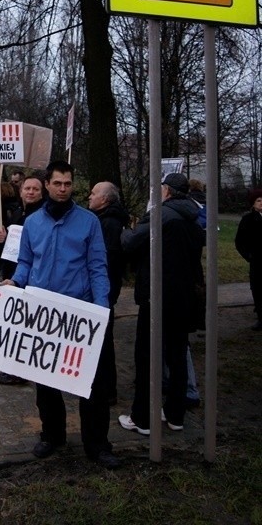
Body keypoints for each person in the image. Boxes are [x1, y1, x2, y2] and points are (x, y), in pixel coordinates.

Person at [0, 160, 120, 469]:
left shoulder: (89, 222)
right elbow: (25, 261)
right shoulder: (33, 223)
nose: (63, 189)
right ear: (47, 185)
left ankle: (97, 444)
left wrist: (102, 305)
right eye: (57, 184)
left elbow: (97, 267)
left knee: (90, 383)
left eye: (68, 184)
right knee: (45, 380)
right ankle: (52, 435)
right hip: (42, 312)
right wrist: (15, 281)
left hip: (80, 312)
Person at [118, 173, 205, 435]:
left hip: (157, 296)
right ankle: (175, 414)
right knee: (177, 357)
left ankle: (142, 418)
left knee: (147, 357)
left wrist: (125, 231)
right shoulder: (192, 216)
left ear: (167, 191)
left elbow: (131, 243)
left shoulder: (162, 216)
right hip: (183, 297)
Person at [0, 174, 45, 386]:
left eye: (35, 189)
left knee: (25, 324)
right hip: (12, 273)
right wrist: (1, 240)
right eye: (27, 188)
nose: (30, 192)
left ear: (43, 192)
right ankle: (12, 365)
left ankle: (20, 370)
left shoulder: (42, 215)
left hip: (29, 277)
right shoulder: (18, 212)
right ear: (21, 191)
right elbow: (9, 249)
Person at [88, 181, 130, 405]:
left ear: (104, 199)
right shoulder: (105, 220)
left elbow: (107, 261)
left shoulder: (109, 223)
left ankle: (107, 390)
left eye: (94, 194)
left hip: (104, 293)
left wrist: (103, 294)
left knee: (103, 341)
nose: (89, 197)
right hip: (104, 291)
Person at [234, 188, 262, 331]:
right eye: (259, 200)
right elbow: (240, 241)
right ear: (253, 203)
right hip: (257, 260)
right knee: (257, 288)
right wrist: (249, 255)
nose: (261, 203)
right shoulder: (248, 219)